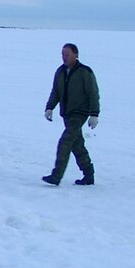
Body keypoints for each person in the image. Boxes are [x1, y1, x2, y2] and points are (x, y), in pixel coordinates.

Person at [42, 42, 100, 186]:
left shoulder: (85, 72)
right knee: (77, 145)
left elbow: (93, 93)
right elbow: (55, 92)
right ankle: (88, 174)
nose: (64, 57)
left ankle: (56, 176)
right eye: (62, 54)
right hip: (66, 114)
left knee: (65, 142)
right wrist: (49, 107)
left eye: (67, 54)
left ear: (76, 55)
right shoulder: (60, 72)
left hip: (79, 113)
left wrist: (94, 114)